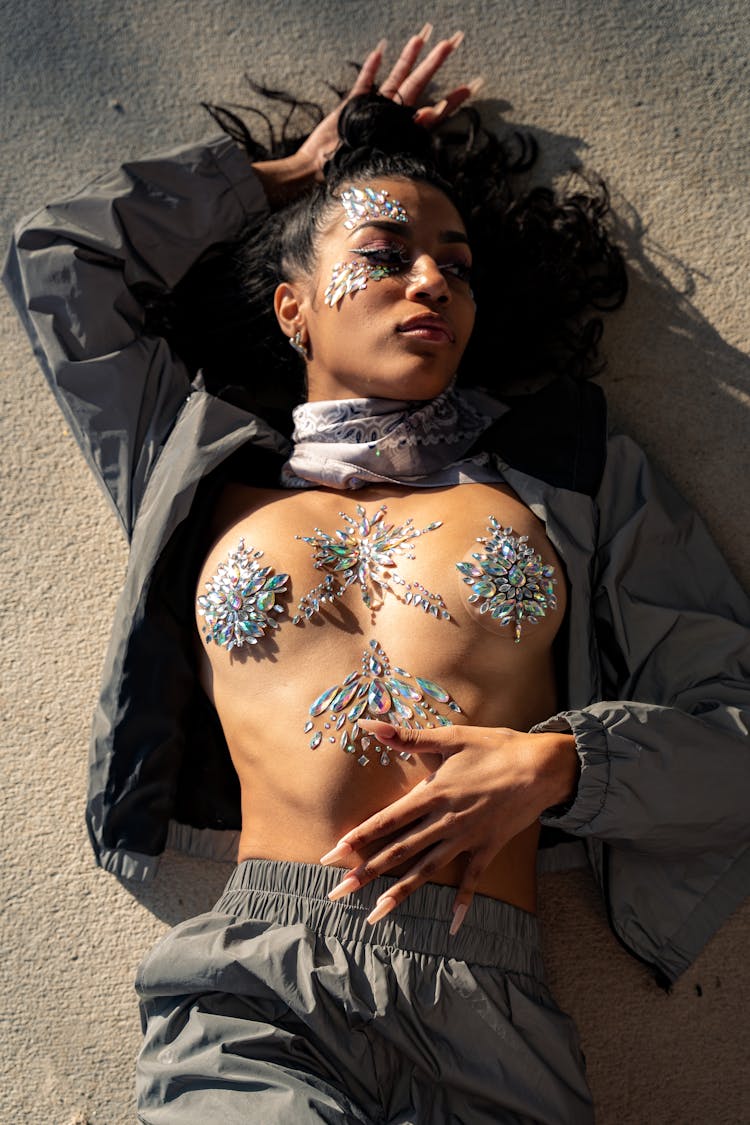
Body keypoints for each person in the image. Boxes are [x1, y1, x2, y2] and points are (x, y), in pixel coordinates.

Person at [4, 26, 749, 1125]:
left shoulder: (577, 475)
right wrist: (294, 178)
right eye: (386, 250)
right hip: (255, 993)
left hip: (489, 1008)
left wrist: (561, 769)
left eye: (457, 262)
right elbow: (60, 259)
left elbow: (736, 734)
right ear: (292, 302)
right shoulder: (194, 462)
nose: (431, 278)